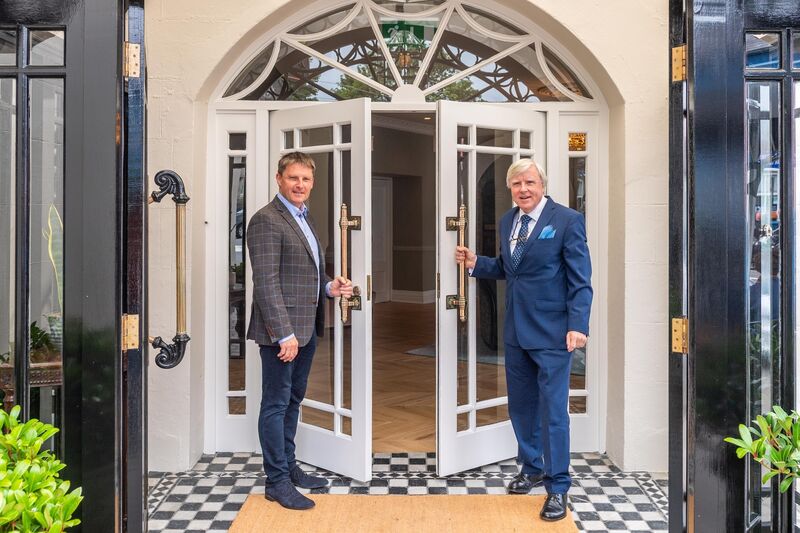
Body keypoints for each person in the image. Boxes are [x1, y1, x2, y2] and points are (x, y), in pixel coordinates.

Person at [454, 158, 592, 522]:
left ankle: (558, 485)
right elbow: (508, 267)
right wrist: (475, 263)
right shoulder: (507, 220)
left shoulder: (566, 221)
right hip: (516, 332)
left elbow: (581, 279)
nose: (523, 190)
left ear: (542, 184)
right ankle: (531, 467)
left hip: (553, 335)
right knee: (522, 407)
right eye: (516, 185)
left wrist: (578, 324)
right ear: (510, 189)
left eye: (529, 182)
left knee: (552, 412)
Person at [247, 151, 353, 510]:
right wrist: (283, 334)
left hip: (306, 328)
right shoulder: (266, 220)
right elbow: (266, 283)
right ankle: (276, 481)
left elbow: (303, 274)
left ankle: (290, 468)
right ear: (279, 178)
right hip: (283, 334)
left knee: (293, 399)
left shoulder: (304, 217)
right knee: (276, 404)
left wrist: (329, 288)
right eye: (293, 178)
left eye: (306, 179)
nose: (300, 185)